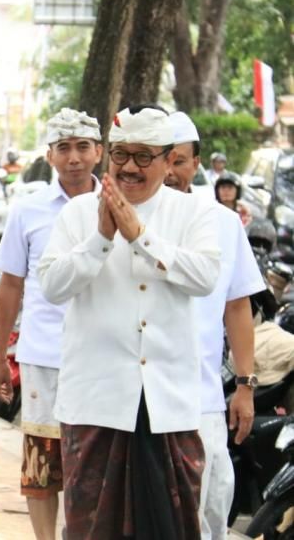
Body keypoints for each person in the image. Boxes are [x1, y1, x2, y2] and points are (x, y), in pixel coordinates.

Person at [38, 105, 221, 538]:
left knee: (173, 526)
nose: (129, 168)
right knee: (90, 527)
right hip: (96, 400)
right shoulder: (78, 214)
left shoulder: (194, 213)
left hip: (168, 401)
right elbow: (52, 286)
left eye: (143, 156)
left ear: (166, 160)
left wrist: (140, 236)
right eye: (121, 155)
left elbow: (205, 277)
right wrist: (101, 239)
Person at [0, 108, 103, 540]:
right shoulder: (29, 210)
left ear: (98, 153)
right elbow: (11, 287)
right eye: (64, 149)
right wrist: (0, 356)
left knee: (91, 462)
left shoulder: (116, 205)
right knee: (41, 463)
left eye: (82, 148)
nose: (74, 158)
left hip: (101, 358)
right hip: (42, 356)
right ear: (50, 156)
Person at [165, 111, 263, 539]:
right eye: (160, 159)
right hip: (134, 399)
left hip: (202, 396)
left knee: (213, 501)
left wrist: (245, 384)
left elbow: (237, 307)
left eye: (179, 161)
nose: (169, 172)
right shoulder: (126, 222)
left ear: (197, 164)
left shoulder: (223, 224)